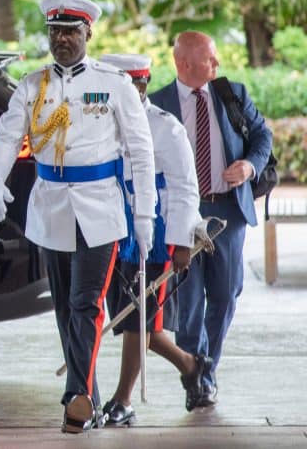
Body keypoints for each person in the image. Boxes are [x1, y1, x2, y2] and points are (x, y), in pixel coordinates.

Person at [0, 0, 156, 434]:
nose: (61, 39)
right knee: (65, 308)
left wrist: (145, 214)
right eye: (55, 31)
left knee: (86, 303)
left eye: (70, 32)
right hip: (51, 208)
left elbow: (141, 151)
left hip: (100, 208)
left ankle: (75, 396)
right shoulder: (32, 85)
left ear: (88, 33)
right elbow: (6, 138)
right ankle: (89, 397)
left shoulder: (114, 84)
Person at [148, 31, 273, 409]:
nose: (217, 64)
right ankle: (197, 379)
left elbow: (262, 136)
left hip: (228, 212)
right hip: (182, 215)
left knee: (225, 294)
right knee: (188, 301)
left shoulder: (231, 94)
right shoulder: (157, 104)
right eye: (209, 59)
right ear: (184, 63)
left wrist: (249, 166)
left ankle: (206, 368)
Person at [97, 54, 212, 424]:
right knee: (133, 318)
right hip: (112, 228)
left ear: (143, 85)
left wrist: (181, 242)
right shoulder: (100, 122)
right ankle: (191, 365)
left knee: (137, 319)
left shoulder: (166, 127)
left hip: (155, 234)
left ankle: (123, 401)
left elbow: (185, 187)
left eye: (134, 85)